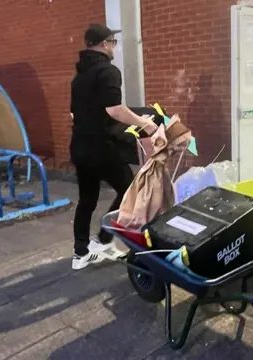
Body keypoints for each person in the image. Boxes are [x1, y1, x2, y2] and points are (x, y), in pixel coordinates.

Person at [70, 24, 158, 270]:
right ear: (104, 44)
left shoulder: (79, 77)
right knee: (130, 191)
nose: (114, 48)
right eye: (113, 43)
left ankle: (81, 253)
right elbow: (114, 109)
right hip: (100, 147)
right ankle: (104, 240)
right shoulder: (107, 71)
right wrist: (145, 124)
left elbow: (74, 114)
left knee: (87, 198)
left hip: (79, 145)